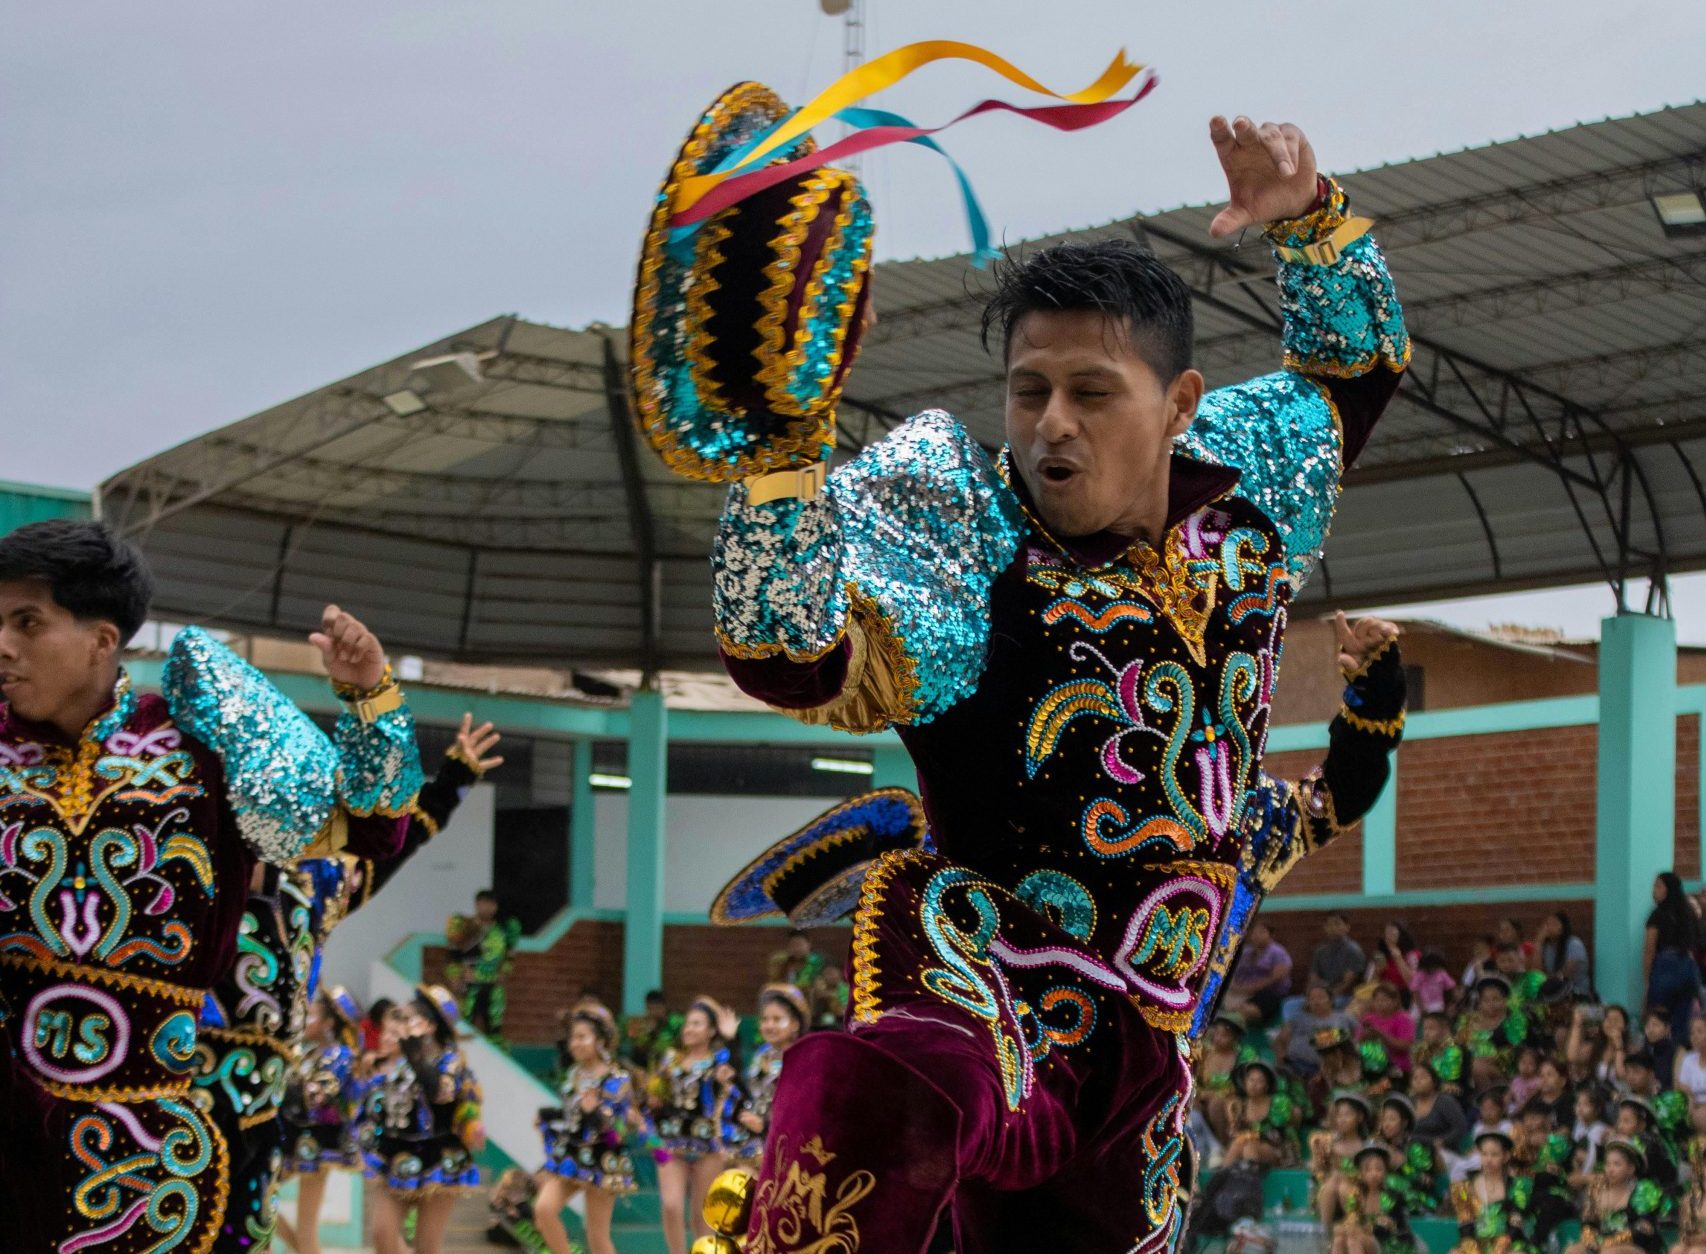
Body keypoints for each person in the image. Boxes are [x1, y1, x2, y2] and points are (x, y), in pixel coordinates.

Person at [641, 69, 1409, 1245]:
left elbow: (1354, 379)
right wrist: (779, 467)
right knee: (876, 1093)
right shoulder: (955, 525)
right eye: (1028, 389)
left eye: (1092, 392)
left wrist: (1308, 223)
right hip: (973, 981)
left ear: (1178, 403)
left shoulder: (1250, 488)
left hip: (1142, 1059)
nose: (1050, 421)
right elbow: (785, 656)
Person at [0, 519, 422, 1252]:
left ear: (103, 638)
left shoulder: (201, 740)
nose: (2, 645)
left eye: (26, 623)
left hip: (167, 1154)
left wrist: (369, 700)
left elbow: (373, 830)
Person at [214, 715, 500, 1252]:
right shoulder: (191, 878)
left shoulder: (315, 885)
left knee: (245, 1233)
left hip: (260, 1109)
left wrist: (453, 779)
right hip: (181, 1094)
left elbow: (397, 844)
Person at [360, 986, 486, 1254]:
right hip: (395, 1155)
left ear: (429, 1025)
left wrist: (415, 1055)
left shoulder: (450, 1061)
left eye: (409, 1019)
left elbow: (441, 1093)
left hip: (438, 1157)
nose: (400, 1025)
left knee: (427, 1246)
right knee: (382, 1233)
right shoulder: (401, 1062)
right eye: (400, 1019)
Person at [535, 1003, 640, 1254]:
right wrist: (548, 1118)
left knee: (596, 1236)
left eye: (582, 1037)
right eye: (573, 1037)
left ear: (601, 1040)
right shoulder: (573, 1074)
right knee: (544, 1210)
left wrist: (594, 1111)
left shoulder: (617, 1079)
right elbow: (573, 1111)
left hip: (603, 1159)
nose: (575, 1043)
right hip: (571, 1156)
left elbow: (616, 1132)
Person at [275, 989, 366, 1254]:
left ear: (329, 1023)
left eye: (311, 1014)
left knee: (306, 1230)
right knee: (257, 1201)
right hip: (293, 1138)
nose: (303, 1020)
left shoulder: (340, 1055)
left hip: (318, 1143)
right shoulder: (310, 1052)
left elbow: (315, 1095)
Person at [650, 997, 738, 1254]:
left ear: (711, 1031)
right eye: (688, 1024)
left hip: (708, 1146)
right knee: (671, 1205)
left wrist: (731, 1038)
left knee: (702, 1218)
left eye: (697, 1024)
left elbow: (735, 1076)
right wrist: (654, 1099)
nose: (689, 1029)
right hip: (672, 1142)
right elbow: (655, 1099)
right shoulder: (670, 1061)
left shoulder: (719, 1060)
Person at [721, 984, 810, 1169]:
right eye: (765, 1019)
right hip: (753, 1146)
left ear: (795, 1024)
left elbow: (803, 1110)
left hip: (789, 1150)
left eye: (777, 1019)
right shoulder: (762, 1054)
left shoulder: (804, 1058)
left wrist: (766, 1125)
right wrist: (732, 1041)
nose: (769, 1025)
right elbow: (750, 1093)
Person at [1564, 1139, 1672, 1254]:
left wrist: (1612, 1241)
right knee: (1573, 1250)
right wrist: (1590, 1239)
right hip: (1602, 1243)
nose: (1610, 1170)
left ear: (1631, 1169)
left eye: (1617, 1164)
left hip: (1636, 1246)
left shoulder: (1643, 1191)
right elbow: (1588, 1221)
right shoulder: (1598, 1189)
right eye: (1608, 1164)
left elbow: (1644, 1229)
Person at [446, 886, 522, 1041]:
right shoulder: (465, 926)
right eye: (483, 903)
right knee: (463, 1025)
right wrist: (454, 979)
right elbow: (453, 955)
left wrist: (505, 972)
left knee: (494, 1028)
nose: (487, 907)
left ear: (496, 906)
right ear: (476, 904)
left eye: (491, 904)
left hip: (493, 985)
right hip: (469, 985)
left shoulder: (503, 930)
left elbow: (510, 954)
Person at [1448, 1130, 1525, 1254]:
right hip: (1475, 1242)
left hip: (1507, 1242)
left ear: (1505, 1156)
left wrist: (1499, 1249)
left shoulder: (1517, 1186)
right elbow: (1465, 1224)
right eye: (1484, 1154)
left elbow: (1515, 1224)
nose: (1489, 1159)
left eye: (1494, 1155)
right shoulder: (1464, 1187)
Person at [1647, 870, 1703, 1039]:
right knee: (1683, 1022)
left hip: (1665, 968)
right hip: (1689, 968)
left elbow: (1649, 949)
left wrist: (1648, 981)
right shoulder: (1689, 914)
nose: (1653, 890)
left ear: (1668, 890)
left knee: (1659, 1017)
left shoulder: (1658, 914)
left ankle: (1661, 1058)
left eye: (1658, 886)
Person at [1332, 1144, 1413, 1254]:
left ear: (1385, 1172)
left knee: (1355, 1239)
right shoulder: (1357, 1195)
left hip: (1391, 1245)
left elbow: (1386, 1229)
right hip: (1365, 1239)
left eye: (1379, 1169)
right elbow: (1350, 1221)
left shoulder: (1392, 1196)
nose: (1374, 1174)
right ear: (1361, 1173)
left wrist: (1362, 1228)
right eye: (1368, 1170)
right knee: (1339, 1239)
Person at [1222, 1059, 1300, 1167]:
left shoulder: (1278, 1103)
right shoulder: (1240, 1106)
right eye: (1251, 1080)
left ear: (1267, 1085)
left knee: (1250, 1148)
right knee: (1237, 1145)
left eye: (1260, 1081)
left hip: (1278, 1151)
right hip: (1246, 1147)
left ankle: (1250, 1179)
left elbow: (1294, 1116)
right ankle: (1221, 1176)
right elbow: (1235, 1133)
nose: (1254, 1085)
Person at [1278, 982, 1359, 1079]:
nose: (1316, 1001)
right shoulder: (1298, 1019)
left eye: (1321, 997)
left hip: (1336, 1069)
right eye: (1312, 998)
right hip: (1300, 1065)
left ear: (1331, 1000)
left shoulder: (1345, 1018)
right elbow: (1279, 1041)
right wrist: (1282, 1058)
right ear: (1307, 1002)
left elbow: (1358, 1037)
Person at [1224, 920, 1294, 1027]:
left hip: (1268, 993)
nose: (1256, 936)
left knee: (1246, 1011)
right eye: (1254, 932)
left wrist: (1249, 988)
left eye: (1261, 932)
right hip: (1241, 991)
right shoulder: (1245, 952)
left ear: (1271, 935)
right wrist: (1233, 986)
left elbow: (1275, 978)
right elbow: (1232, 972)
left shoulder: (1278, 953)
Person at [1410, 1062, 1470, 1158]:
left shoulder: (1445, 1101)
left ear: (1434, 1081)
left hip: (1443, 1151)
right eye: (1414, 1078)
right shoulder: (1409, 1103)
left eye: (1423, 1076)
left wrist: (1444, 1141)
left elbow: (1460, 1127)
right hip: (1413, 1151)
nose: (1418, 1081)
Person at [1359, 982, 1416, 1075]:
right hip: (1372, 1065)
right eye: (1377, 1000)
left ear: (1395, 1001)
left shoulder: (1404, 1019)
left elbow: (1405, 1046)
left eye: (1384, 1000)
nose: (1380, 1004)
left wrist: (1381, 1034)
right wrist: (1366, 1035)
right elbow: (1359, 1043)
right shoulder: (1368, 1018)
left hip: (1398, 1067)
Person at [1312, 914, 1370, 1006]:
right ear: (1325, 928)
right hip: (1321, 994)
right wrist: (1311, 996)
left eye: (1337, 924)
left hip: (1345, 997)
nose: (1333, 928)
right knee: (1290, 1004)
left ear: (1347, 927)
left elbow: (1347, 984)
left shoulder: (1353, 951)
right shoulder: (1320, 951)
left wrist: (1327, 997)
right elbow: (1314, 977)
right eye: (1329, 924)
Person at [622, 988, 684, 1073]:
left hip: (668, 1064)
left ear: (664, 1006)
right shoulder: (639, 1024)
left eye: (657, 1008)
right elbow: (634, 1049)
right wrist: (649, 1032)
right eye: (651, 1009)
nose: (654, 1012)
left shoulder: (675, 1021)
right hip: (643, 1066)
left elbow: (680, 1044)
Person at [1535, 910, 1591, 998]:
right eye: (1547, 924)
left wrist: (1548, 980)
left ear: (1563, 928)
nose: (1549, 927)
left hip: (1577, 992)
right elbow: (1537, 972)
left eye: (1554, 924)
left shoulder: (1574, 943)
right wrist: (1539, 942)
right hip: (1553, 993)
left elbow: (1566, 973)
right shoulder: (1547, 947)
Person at [1366, 923, 1420, 1001]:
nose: (1389, 937)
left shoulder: (1412, 954)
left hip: (1407, 994)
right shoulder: (1379, 955)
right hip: (1384, 996)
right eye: (1387, 934)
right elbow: (1369, 984)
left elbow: (1413, 982)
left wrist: (1399, 958)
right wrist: (1378, 971)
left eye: (1393, 933)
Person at [1410, 951, 1458, 1017]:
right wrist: (1421, 1007)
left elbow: (1452, 987)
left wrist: (1452, 1003)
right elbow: (1415, 992)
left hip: (1437, 1004)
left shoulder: (1442, 973)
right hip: (1420, 1003)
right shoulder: (1420, 974)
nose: (1435, 969)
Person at [1676, 1013, 1706, 1100]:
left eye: (1700, 1031)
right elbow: (1682, 1088)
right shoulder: (1688, 1059)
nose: (1695, 1037)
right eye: (1692, 1033)